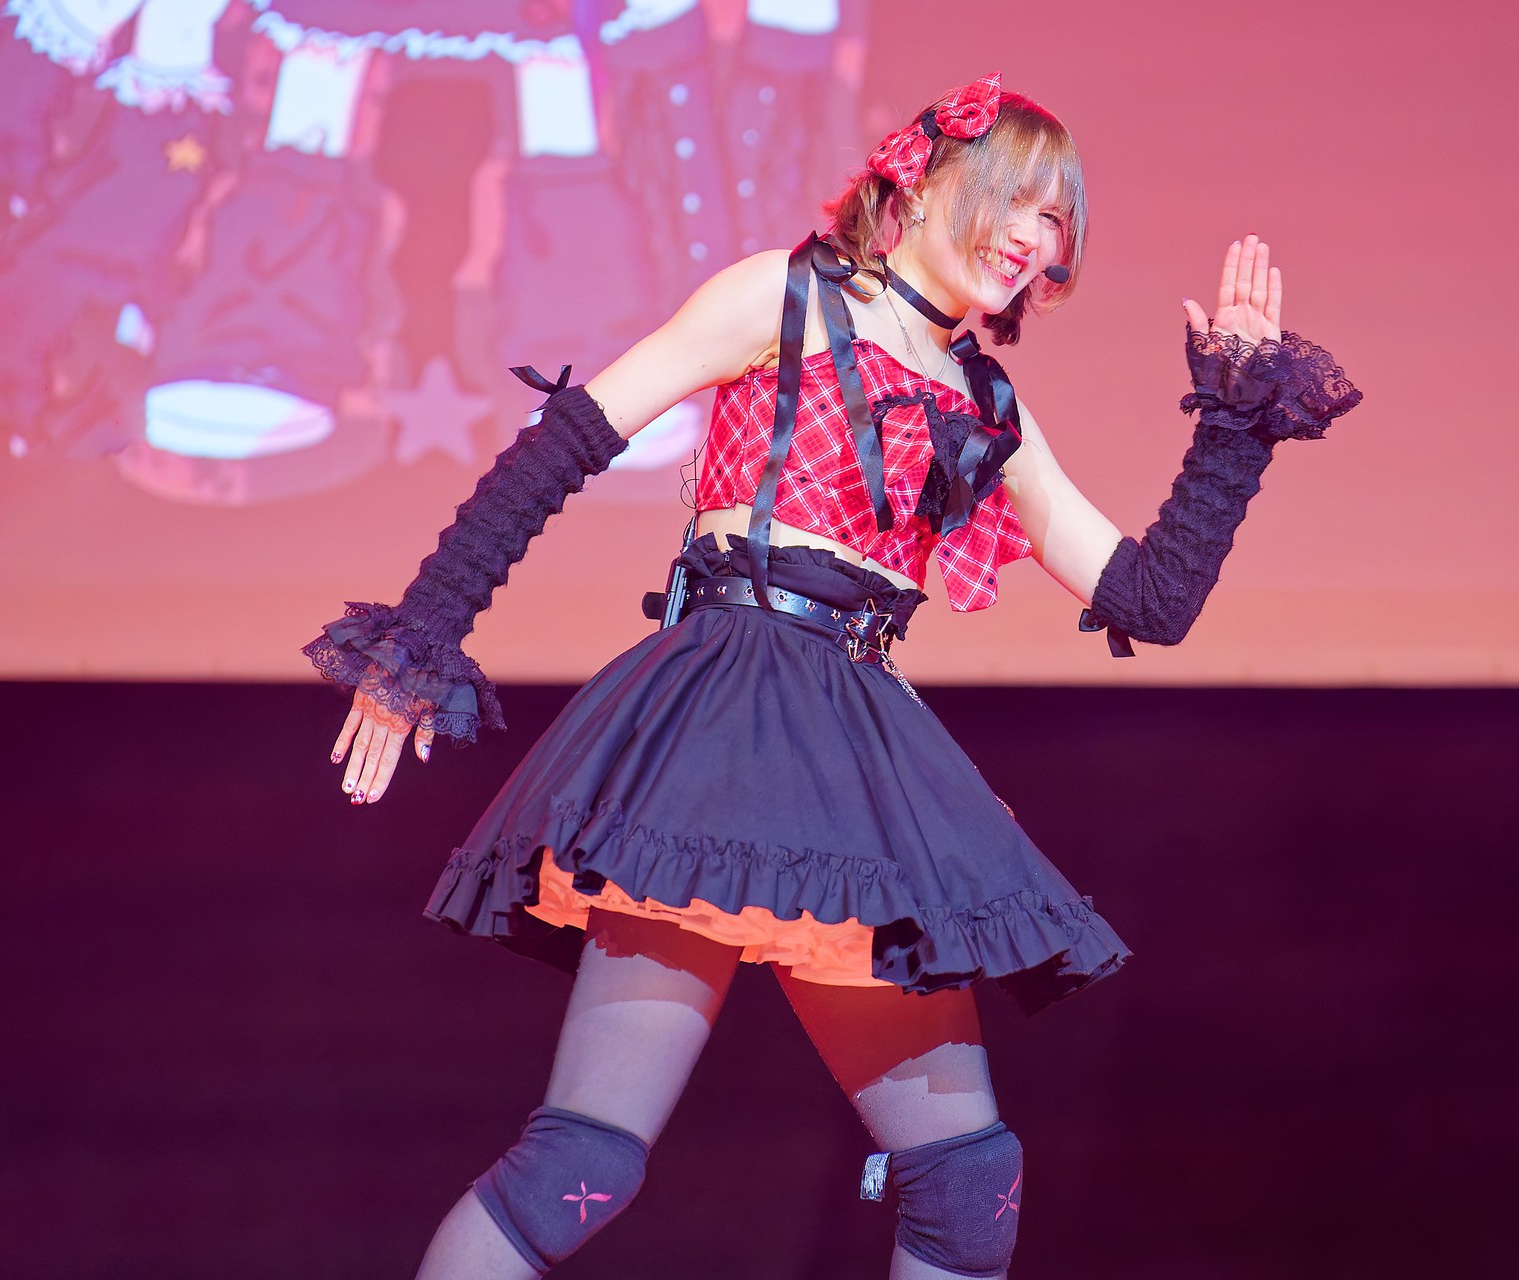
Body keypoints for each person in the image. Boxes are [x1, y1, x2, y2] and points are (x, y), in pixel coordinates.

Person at [304, 72, 1361, 1280]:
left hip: (855, 746)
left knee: (967, 1186)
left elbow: (1151, 600)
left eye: (1057, 216)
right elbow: (566, 445)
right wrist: (420, 640)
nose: (1036, 236)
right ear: (925, 179)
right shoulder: (785, 294)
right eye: (1018, 198)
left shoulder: (986, 401)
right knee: (582, 1161)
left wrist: (1235, 420)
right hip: (720, 721)